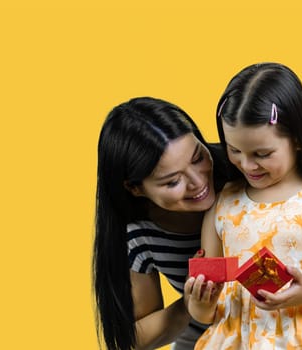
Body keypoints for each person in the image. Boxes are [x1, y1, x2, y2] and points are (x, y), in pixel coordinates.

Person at [185, 63, 302, 349]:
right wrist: (199, 303)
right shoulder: (222, 205)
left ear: (296, 138)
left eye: (262, 153)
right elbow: (207, 314)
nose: (246, 164)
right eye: (234, 150)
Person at [93, 97, 236, 350]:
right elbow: (134, 338)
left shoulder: (245, 167)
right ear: (135, 188)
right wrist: (191, 306)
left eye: (197, 157)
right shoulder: (139, 234)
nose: (198, 182)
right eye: (172, 181)